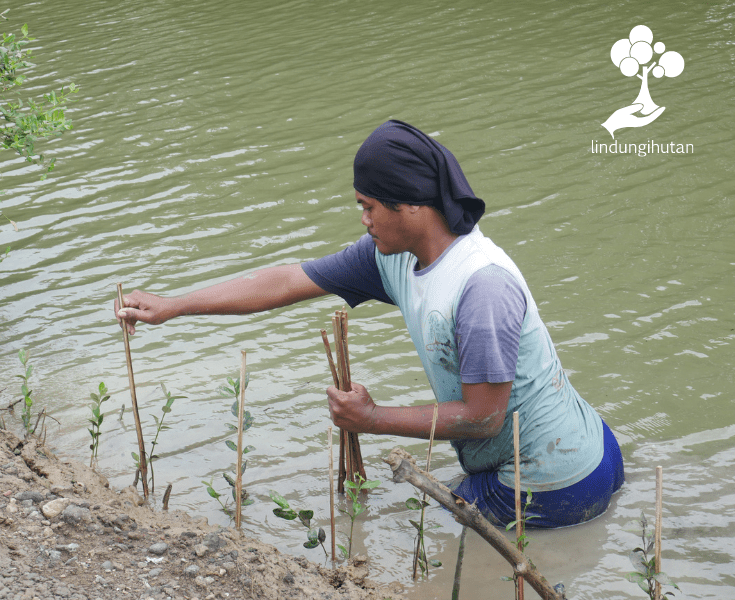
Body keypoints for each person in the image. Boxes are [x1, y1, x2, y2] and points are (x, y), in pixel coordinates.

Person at [116, 120, 624, 528]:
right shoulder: (393, 256)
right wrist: (174, 305)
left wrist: (372, 418)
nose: (363, 218)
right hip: (592, 446)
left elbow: (483, 419)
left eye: (369, 206)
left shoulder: (481, 288)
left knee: (430, 531)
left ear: (413, 205)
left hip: (551, 483)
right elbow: (288, 281)